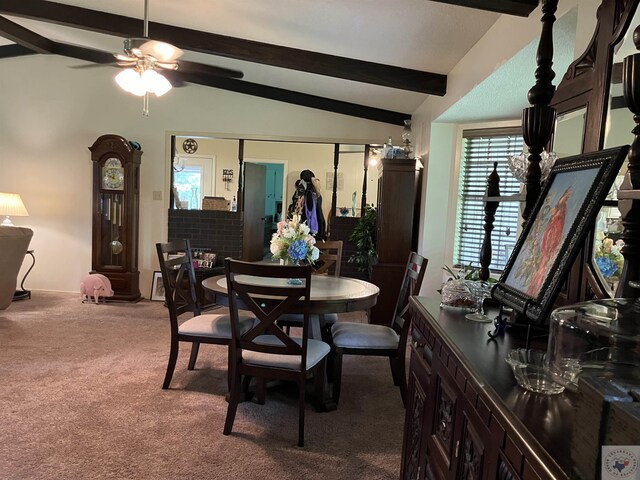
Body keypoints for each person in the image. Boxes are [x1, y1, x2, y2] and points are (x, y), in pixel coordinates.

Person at [287, 169, 326, 240]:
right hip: (316, 227)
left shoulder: (302, 194)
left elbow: (298, 211)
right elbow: (318, 213)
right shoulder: (317, 194)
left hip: (305, 229)